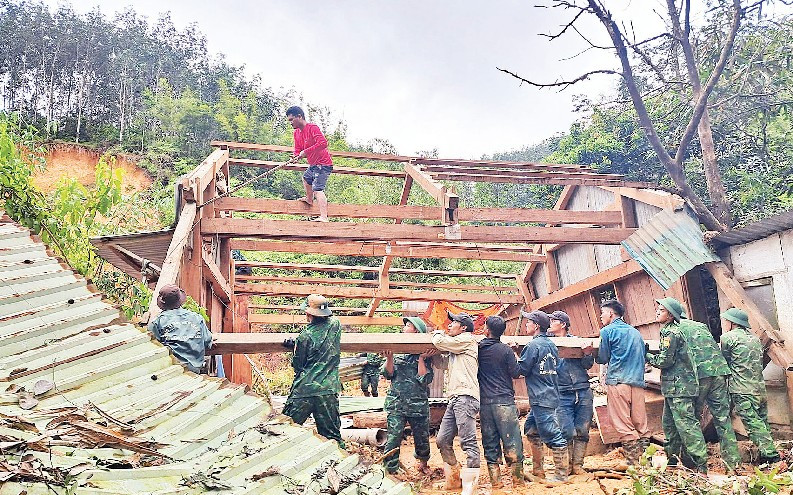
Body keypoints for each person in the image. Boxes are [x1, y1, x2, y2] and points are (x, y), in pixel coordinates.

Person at [677, 300, 741, 472]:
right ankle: (733, 464)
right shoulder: (701, 326)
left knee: (692, 419)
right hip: (719, 372)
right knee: (723, 419)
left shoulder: (674, 329)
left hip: (699, 375)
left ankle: (697, 466)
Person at [646, 298, 708, 473]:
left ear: (671, 315)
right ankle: (673, 461)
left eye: (662, 310)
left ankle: (701, 464)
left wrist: (647, 355)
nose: (658, 312)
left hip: (680, 388)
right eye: (658, 309)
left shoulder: (671, 333)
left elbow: (665, 361)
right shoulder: (669, 330)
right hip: (674, 388)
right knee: (670, 425)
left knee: (687, 425)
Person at [720, 308, 780, 464]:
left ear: (732, 322)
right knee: (762, 421)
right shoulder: (754, 339)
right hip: (759, 388)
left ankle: (772, 456)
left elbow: (724, 361)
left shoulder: (727, 338)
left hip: (742, 389)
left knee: (753, 423)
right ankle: (765, 455)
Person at [282, 294, 343, 445]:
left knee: (284, 431)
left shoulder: (305, 336)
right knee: (332, 437)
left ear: (308, 313)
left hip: (306, 389)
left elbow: (298, 365)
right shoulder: (336, 325)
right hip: (328, 390)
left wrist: (296, 346)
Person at [432, 311, 481, 495]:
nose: (449, 324)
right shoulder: (458, 346)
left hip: (465, 398)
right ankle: (454, 478)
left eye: (454, 323)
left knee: (468, 443)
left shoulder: (467, 339)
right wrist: (433, 356)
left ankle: (470, 486)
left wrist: (437, 332)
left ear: (464, 328)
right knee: (442, 439)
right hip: (455, 398)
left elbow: (439, 341)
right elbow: (443, 364)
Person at [595, 299, 649, 464]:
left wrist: (591, 352)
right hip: (638, 383)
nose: (601, 317)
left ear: (611, 313)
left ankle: (633, 463)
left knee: (623, 423)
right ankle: (646, 462)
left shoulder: (607, 331)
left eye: (602, 313)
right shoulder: (635, 332)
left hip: (619, 382)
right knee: (641, 423)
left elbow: (602, 358)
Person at [381, 317, 436, 475]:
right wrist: (389, 358)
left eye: (408, 326)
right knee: (393, 437)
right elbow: (388, 374)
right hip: (396, 403)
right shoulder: (397, 351)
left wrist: (421, 359)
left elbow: (424, 379)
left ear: (416, 331)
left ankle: (423, 464)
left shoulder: (426, 353)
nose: (404, 328)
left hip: (417, 404)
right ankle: (391, 468)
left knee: (422, 438)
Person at [518, 310, 568, 483]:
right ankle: (538, 471)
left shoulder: (533, 346)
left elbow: (521, 370)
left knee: (553, 436)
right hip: (549, 394)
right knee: (531, 429)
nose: (526, 324)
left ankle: (561, 475)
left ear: (536, 326)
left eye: (528, 322)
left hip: (541, 397)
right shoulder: (551, 344)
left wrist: (513, 354)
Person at [477, 316, 525, 487]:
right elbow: (516, 373)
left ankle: (496, 484)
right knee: (512, 440)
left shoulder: (478, 349)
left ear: (487, 330)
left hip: (485, 404)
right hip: (505, 402)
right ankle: (518, 482)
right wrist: (514, 352)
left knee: (490, 442)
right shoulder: (505, 351)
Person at [548, 310, 594, 475]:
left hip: (582, 390)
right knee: (565, 430)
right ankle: (565, 467)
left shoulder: (576, 342)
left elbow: (587, 365)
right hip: (561, 392)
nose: (551, 323)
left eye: (554, 320)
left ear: (563, 324)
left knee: (582, 429)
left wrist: (587, 353)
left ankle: (578, 466)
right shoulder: (547, 344)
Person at [148, 284, 212, 374]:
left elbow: (151, 346)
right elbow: (207, 340)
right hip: (194, 369)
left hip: (170, 369)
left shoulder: (157, 322)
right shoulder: (197, 318)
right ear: (179, 300)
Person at [286, 105, 333, 222]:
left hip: (323, 164)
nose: (290, 123)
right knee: (306, 178)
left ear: (299, 116)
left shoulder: (312, 128)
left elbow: (323, 143)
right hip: (313, 164)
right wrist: (296, 156)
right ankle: (309, 199)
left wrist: (305, 152)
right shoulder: (297, 133)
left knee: (317, 189)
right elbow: (298, 149)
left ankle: (324, 217)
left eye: (292, 119)